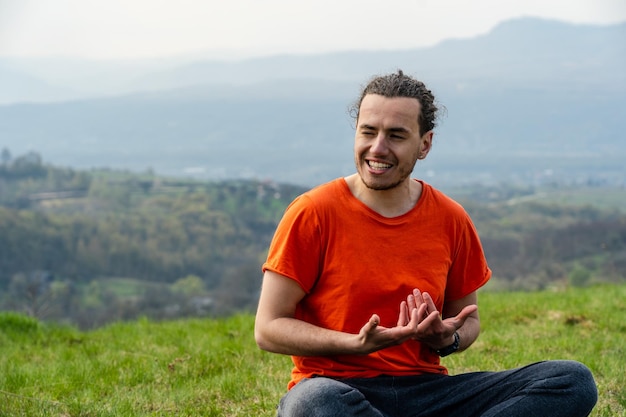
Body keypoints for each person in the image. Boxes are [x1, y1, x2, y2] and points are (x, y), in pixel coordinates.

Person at [254, 70, 597, 417]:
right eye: (368, 132)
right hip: (338, 388)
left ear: (425, 144)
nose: (378, 148)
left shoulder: (450, 218)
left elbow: (467, 319)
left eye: (396, 135)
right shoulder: (312, 212)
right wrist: (355, 344)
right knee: (311, 403)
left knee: (571, 380)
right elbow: (268, 328)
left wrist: (448, 339)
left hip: (428, 393)